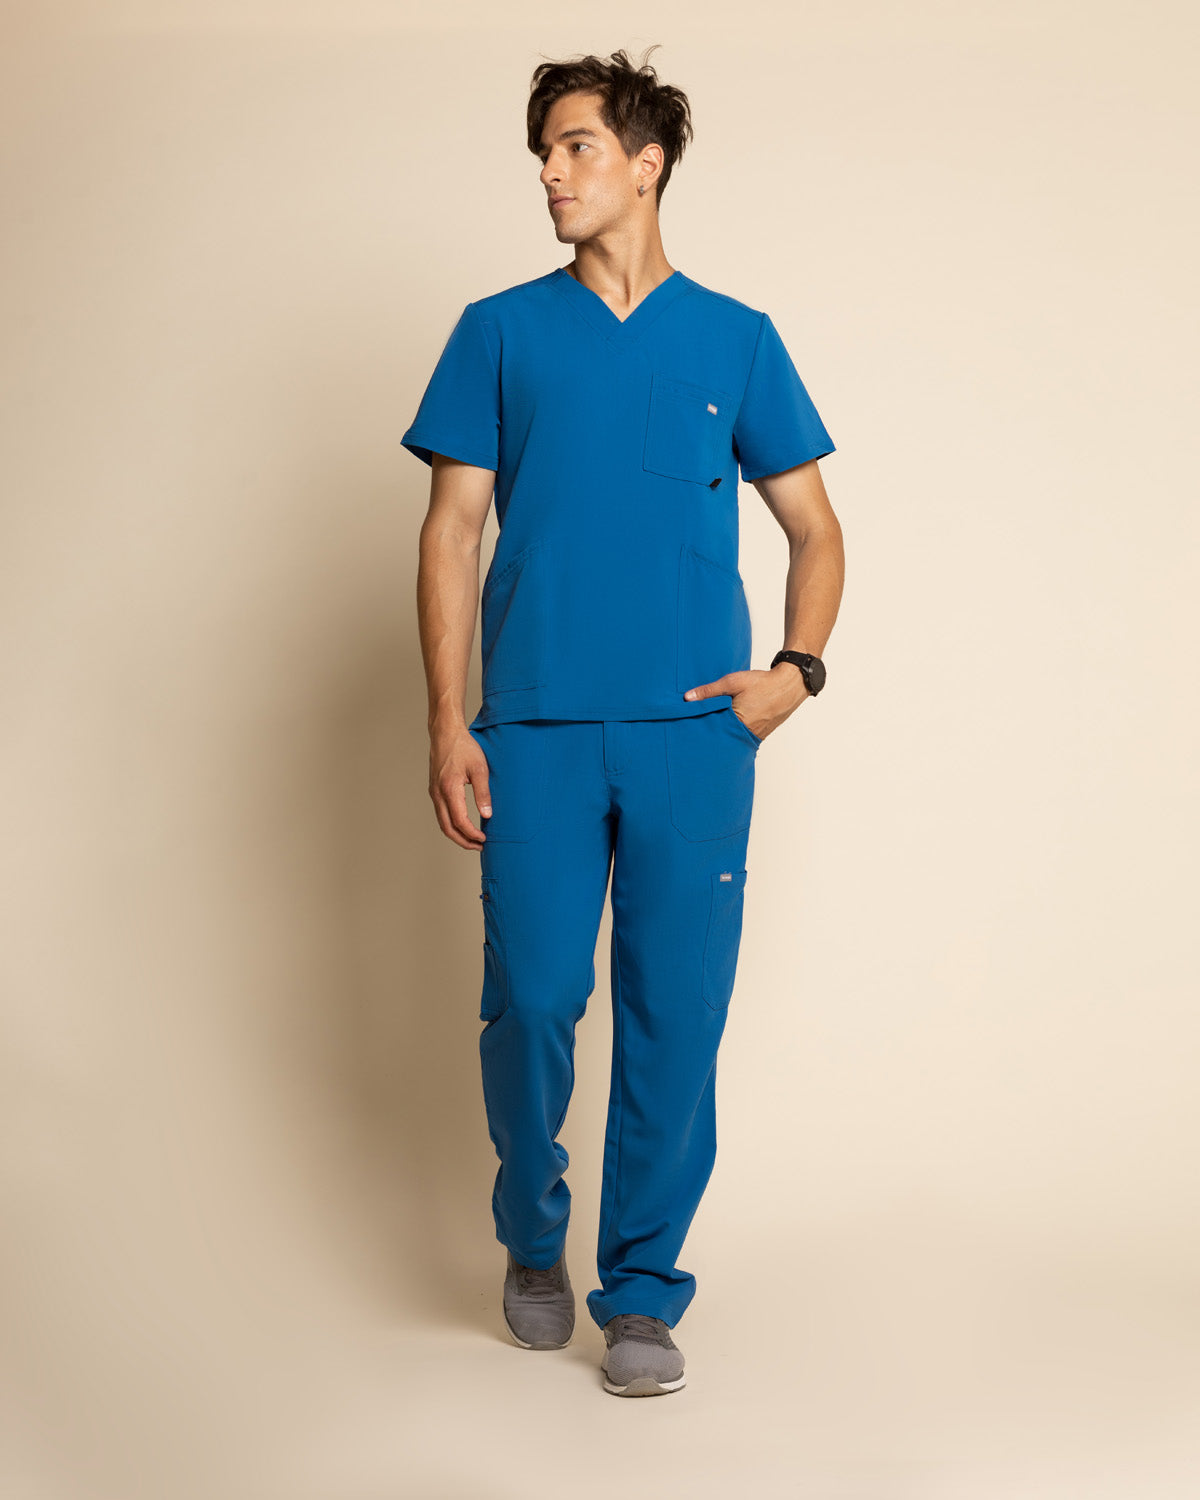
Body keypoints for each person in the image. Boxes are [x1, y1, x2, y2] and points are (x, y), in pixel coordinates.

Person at [401, 46, 844, 1398]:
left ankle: (642, 1291)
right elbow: (451, 531)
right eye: (543, 152)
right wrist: (447, 723)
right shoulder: (498, 332)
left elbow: (816, 527)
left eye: (576, 146)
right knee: (533, 1001)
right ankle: (533, 1231)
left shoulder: (736, 338)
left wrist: (797, 670)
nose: (551, 173)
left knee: (674, 1017)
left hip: (692, 736)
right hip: (533, 729)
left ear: (646, 166)